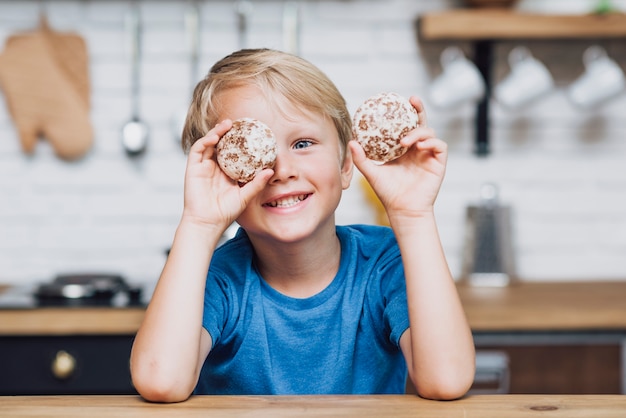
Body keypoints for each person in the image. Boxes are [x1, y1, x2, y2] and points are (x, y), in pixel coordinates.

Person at [130, 48, 475, 402]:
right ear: (223, 172)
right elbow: (161, 380)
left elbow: (446, 379)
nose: (283, 171)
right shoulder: (219, 279)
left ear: (345, 165)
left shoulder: (383, 264)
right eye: (254, 149)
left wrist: (413, 216)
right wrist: (199, 222)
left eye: (303, 143)